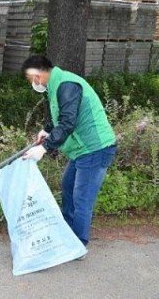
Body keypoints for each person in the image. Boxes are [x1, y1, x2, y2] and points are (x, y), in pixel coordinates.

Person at [21, 55, 117, 248]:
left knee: (82, 198)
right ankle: (67, 233)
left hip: (95, 148)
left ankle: (78, 244)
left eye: (30, 78)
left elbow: (67, 123)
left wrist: (44, 148)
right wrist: (47, 129)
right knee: (67, 187)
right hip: (83, 150)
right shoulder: (56, 85)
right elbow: (61, 115)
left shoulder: (67, 85)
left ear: (38, 75)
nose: (32, 83)